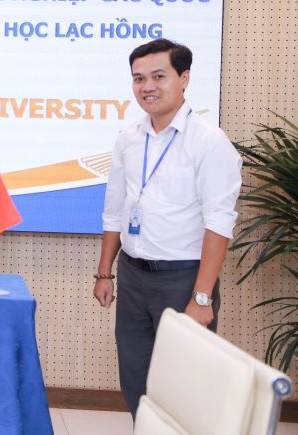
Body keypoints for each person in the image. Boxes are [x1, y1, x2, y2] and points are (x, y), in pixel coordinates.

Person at [93, 38, 241, 417]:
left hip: (182, 279)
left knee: (185, 388)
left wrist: (202, 298)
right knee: (135, 381)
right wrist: (105, 272)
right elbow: (115, 210)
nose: (147, 87)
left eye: (159, 76)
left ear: (184, 78)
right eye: (139, 78)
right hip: (133, 276)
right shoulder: (129, 138)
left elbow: (219, 224)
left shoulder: (209, 142)